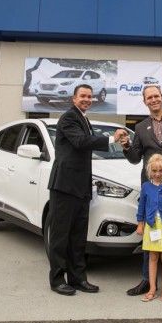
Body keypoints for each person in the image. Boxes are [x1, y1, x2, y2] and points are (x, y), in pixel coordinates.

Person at [47, 84, 127, 296]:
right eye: (83, 96)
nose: (87, 99)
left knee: (78, 237)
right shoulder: (69, 118)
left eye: (90, 96)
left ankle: (77, 278)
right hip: (64, 186)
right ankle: (57, 280)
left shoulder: (83, 118)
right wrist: (112, 139)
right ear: (73, 98)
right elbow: (81, 142)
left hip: (81, 187)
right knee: (60, 236)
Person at [121, 85, 162, 298]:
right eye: (149, 97)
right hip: (150, 189)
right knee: (150, 234)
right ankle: (148, 281)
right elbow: (134, 158)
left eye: (156, 96)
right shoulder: (140, 128)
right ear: (145, 102)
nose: (153, 100)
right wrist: (126, 147)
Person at [135, 154, 162, 302]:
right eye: (154, 171)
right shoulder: (146, 187)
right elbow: (141, 206)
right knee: (152, 257)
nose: (158, 174)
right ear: (149, 171)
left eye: (160, 170)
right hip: (151, 226)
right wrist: (140, 223)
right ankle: (152, 288)